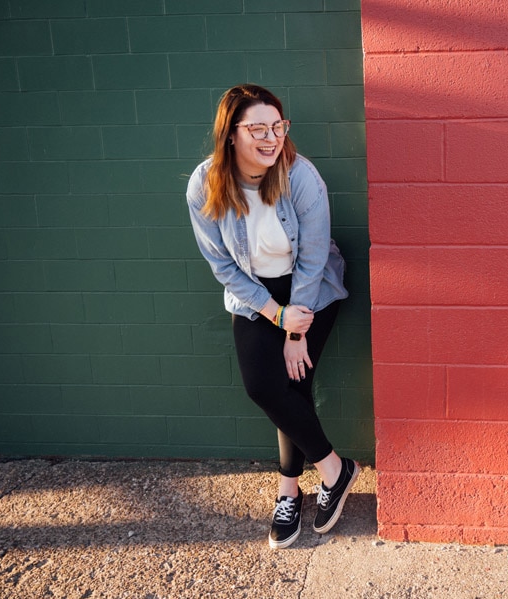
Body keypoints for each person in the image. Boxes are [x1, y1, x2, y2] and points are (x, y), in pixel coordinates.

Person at [187, 84, 358, 549]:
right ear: (230, 134)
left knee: (293, 384)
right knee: (264, 386)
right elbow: (222, 264)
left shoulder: (299, 176)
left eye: (277, 126)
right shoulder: (205, 183)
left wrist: (296, 330)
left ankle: (288, 488)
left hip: (311, 289)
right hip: (254, 296)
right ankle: (334, 470)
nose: (271, 138)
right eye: (257, 128)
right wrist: (276, 317)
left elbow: (315, 255)